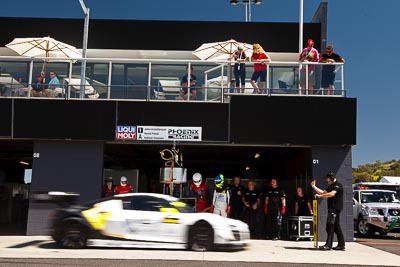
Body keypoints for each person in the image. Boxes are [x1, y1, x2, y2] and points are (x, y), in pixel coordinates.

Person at [311, 171, 345, 251]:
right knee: (336, 227)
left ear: (332, 178)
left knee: (329, 226)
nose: (326, 180)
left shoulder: (337, 185)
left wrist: (320, 196)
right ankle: (341, 244)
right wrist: (314, 187)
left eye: (327, 178)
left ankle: (328, 245)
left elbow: (331, 194)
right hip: (332, 209)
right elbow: (323, 192)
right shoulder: (331, 186)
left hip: (335, 209)